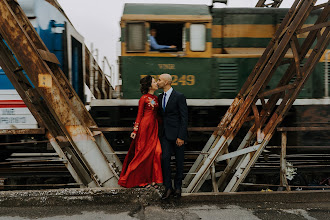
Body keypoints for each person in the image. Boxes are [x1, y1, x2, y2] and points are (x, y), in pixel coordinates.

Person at [118, 75, 163, 188]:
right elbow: (139, 115)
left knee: (157, 152)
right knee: (143, 154)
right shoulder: (143, 99)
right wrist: (135, 130)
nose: (156, 83)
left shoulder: (156, 99)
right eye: (154, 82)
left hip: (154, 127)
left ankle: (153, 179)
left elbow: (158, 116)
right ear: (149, 85)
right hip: (145, 128)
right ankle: (142, 181)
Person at [157, 73, 188, 199]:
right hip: (164, 135)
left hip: (177, 136)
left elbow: (184, 117)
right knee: (165, 159)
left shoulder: (179, 96)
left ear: (166, 82)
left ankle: (178, 188)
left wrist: (181, 136)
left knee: (179, 162)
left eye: (159, 80)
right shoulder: (159, 97)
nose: (157, 82)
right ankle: (168, 187)